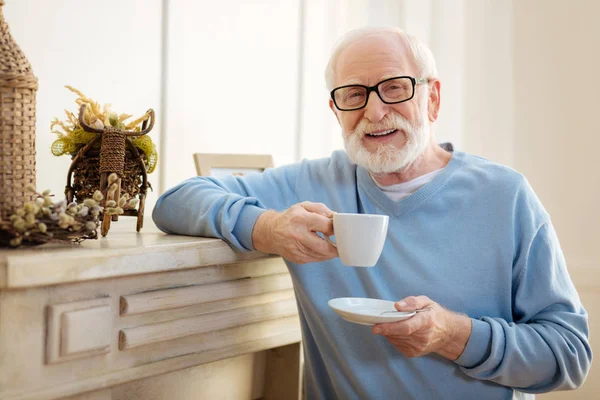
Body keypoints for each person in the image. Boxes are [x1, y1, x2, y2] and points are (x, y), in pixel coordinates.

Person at [152, 27, 591, 399]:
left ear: (432, 98)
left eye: (394, 88)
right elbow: (175, 201)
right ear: (335, 109)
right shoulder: (313, 184)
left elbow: (569, 355)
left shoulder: (505, 196)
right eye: (354, 94)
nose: (374, 111)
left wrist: (452, 335)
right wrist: (265, 227)